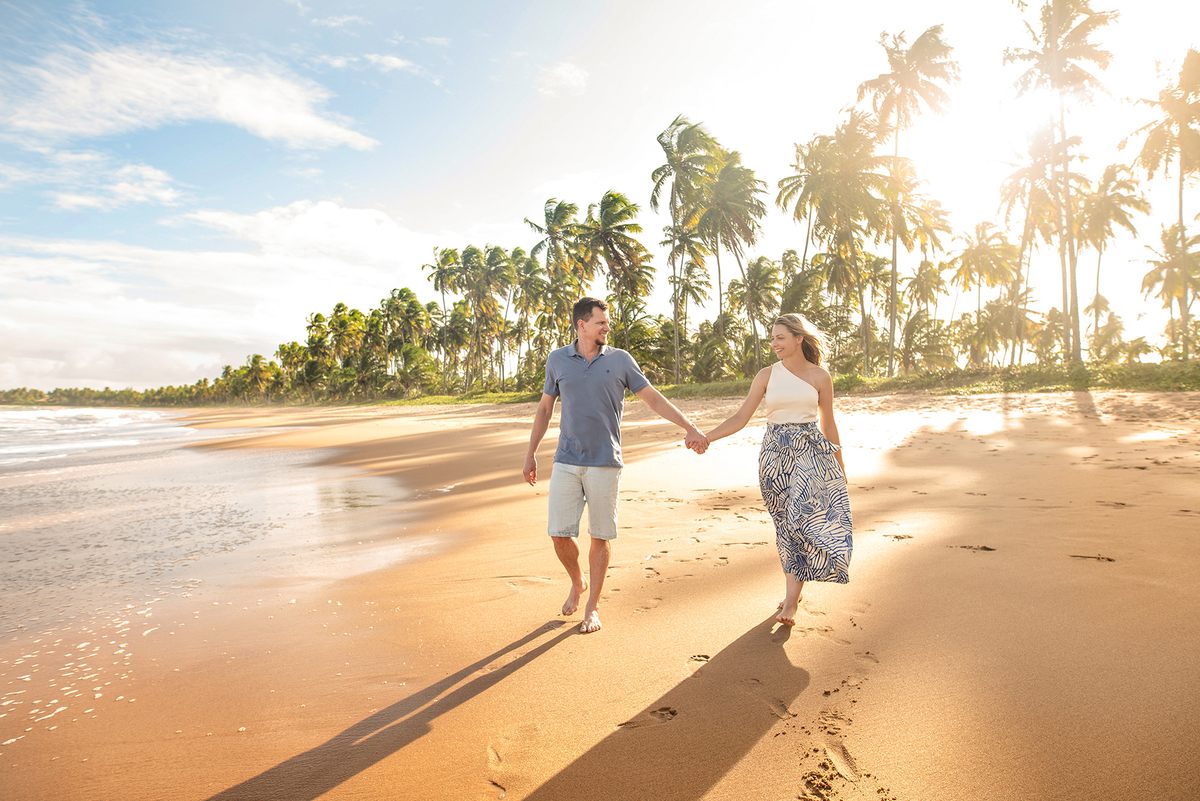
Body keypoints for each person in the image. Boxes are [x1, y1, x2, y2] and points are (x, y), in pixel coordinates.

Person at [524, 297, 708, 634]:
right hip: (566, 459)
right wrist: (530, 451)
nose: (607, 328)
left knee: (599, 536)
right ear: (582, 325)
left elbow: (653, 397)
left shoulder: (621, 360)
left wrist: (689, 427)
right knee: (559, 534)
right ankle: (577, 580)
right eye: (601, 323)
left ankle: (592, 607)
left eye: (607, 323)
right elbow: (545, 410)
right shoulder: (557, 360)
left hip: (605, 462)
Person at [698, 313, 853, 627]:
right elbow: (741, 417)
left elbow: (829, 424)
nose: (774, 343)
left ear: (799, 338)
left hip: (810, 454)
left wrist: (840, 464)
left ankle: (791, 602)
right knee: (784, 524)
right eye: (772, 338)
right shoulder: (767, 375)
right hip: (774, 456)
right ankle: (794, 589)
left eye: (780, 337)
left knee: (800, 521)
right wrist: (706, 437)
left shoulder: (820, 377)